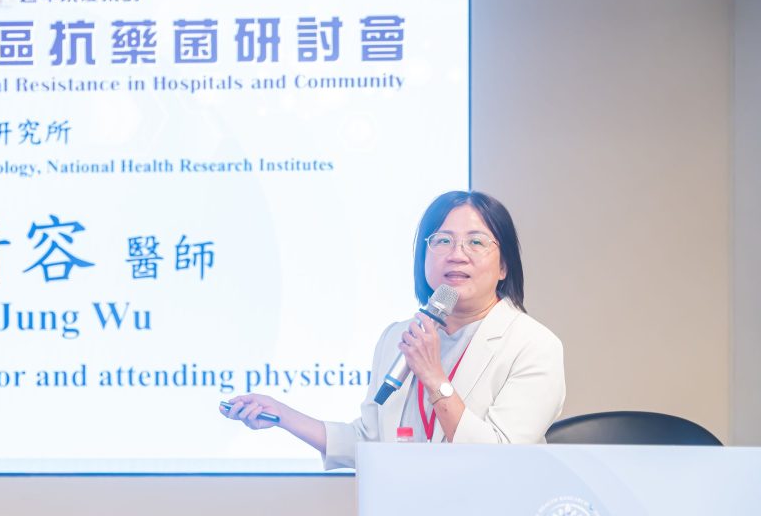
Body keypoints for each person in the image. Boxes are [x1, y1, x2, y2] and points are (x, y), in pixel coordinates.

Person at [221, 190, 565, 469]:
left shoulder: (533, 346)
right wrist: (282, 415)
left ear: (504, 266)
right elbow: (371, 443)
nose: (457, 254)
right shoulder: (398, 337)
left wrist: (434, 377)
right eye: (442, 241)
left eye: (476, 242)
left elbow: (503, 460)